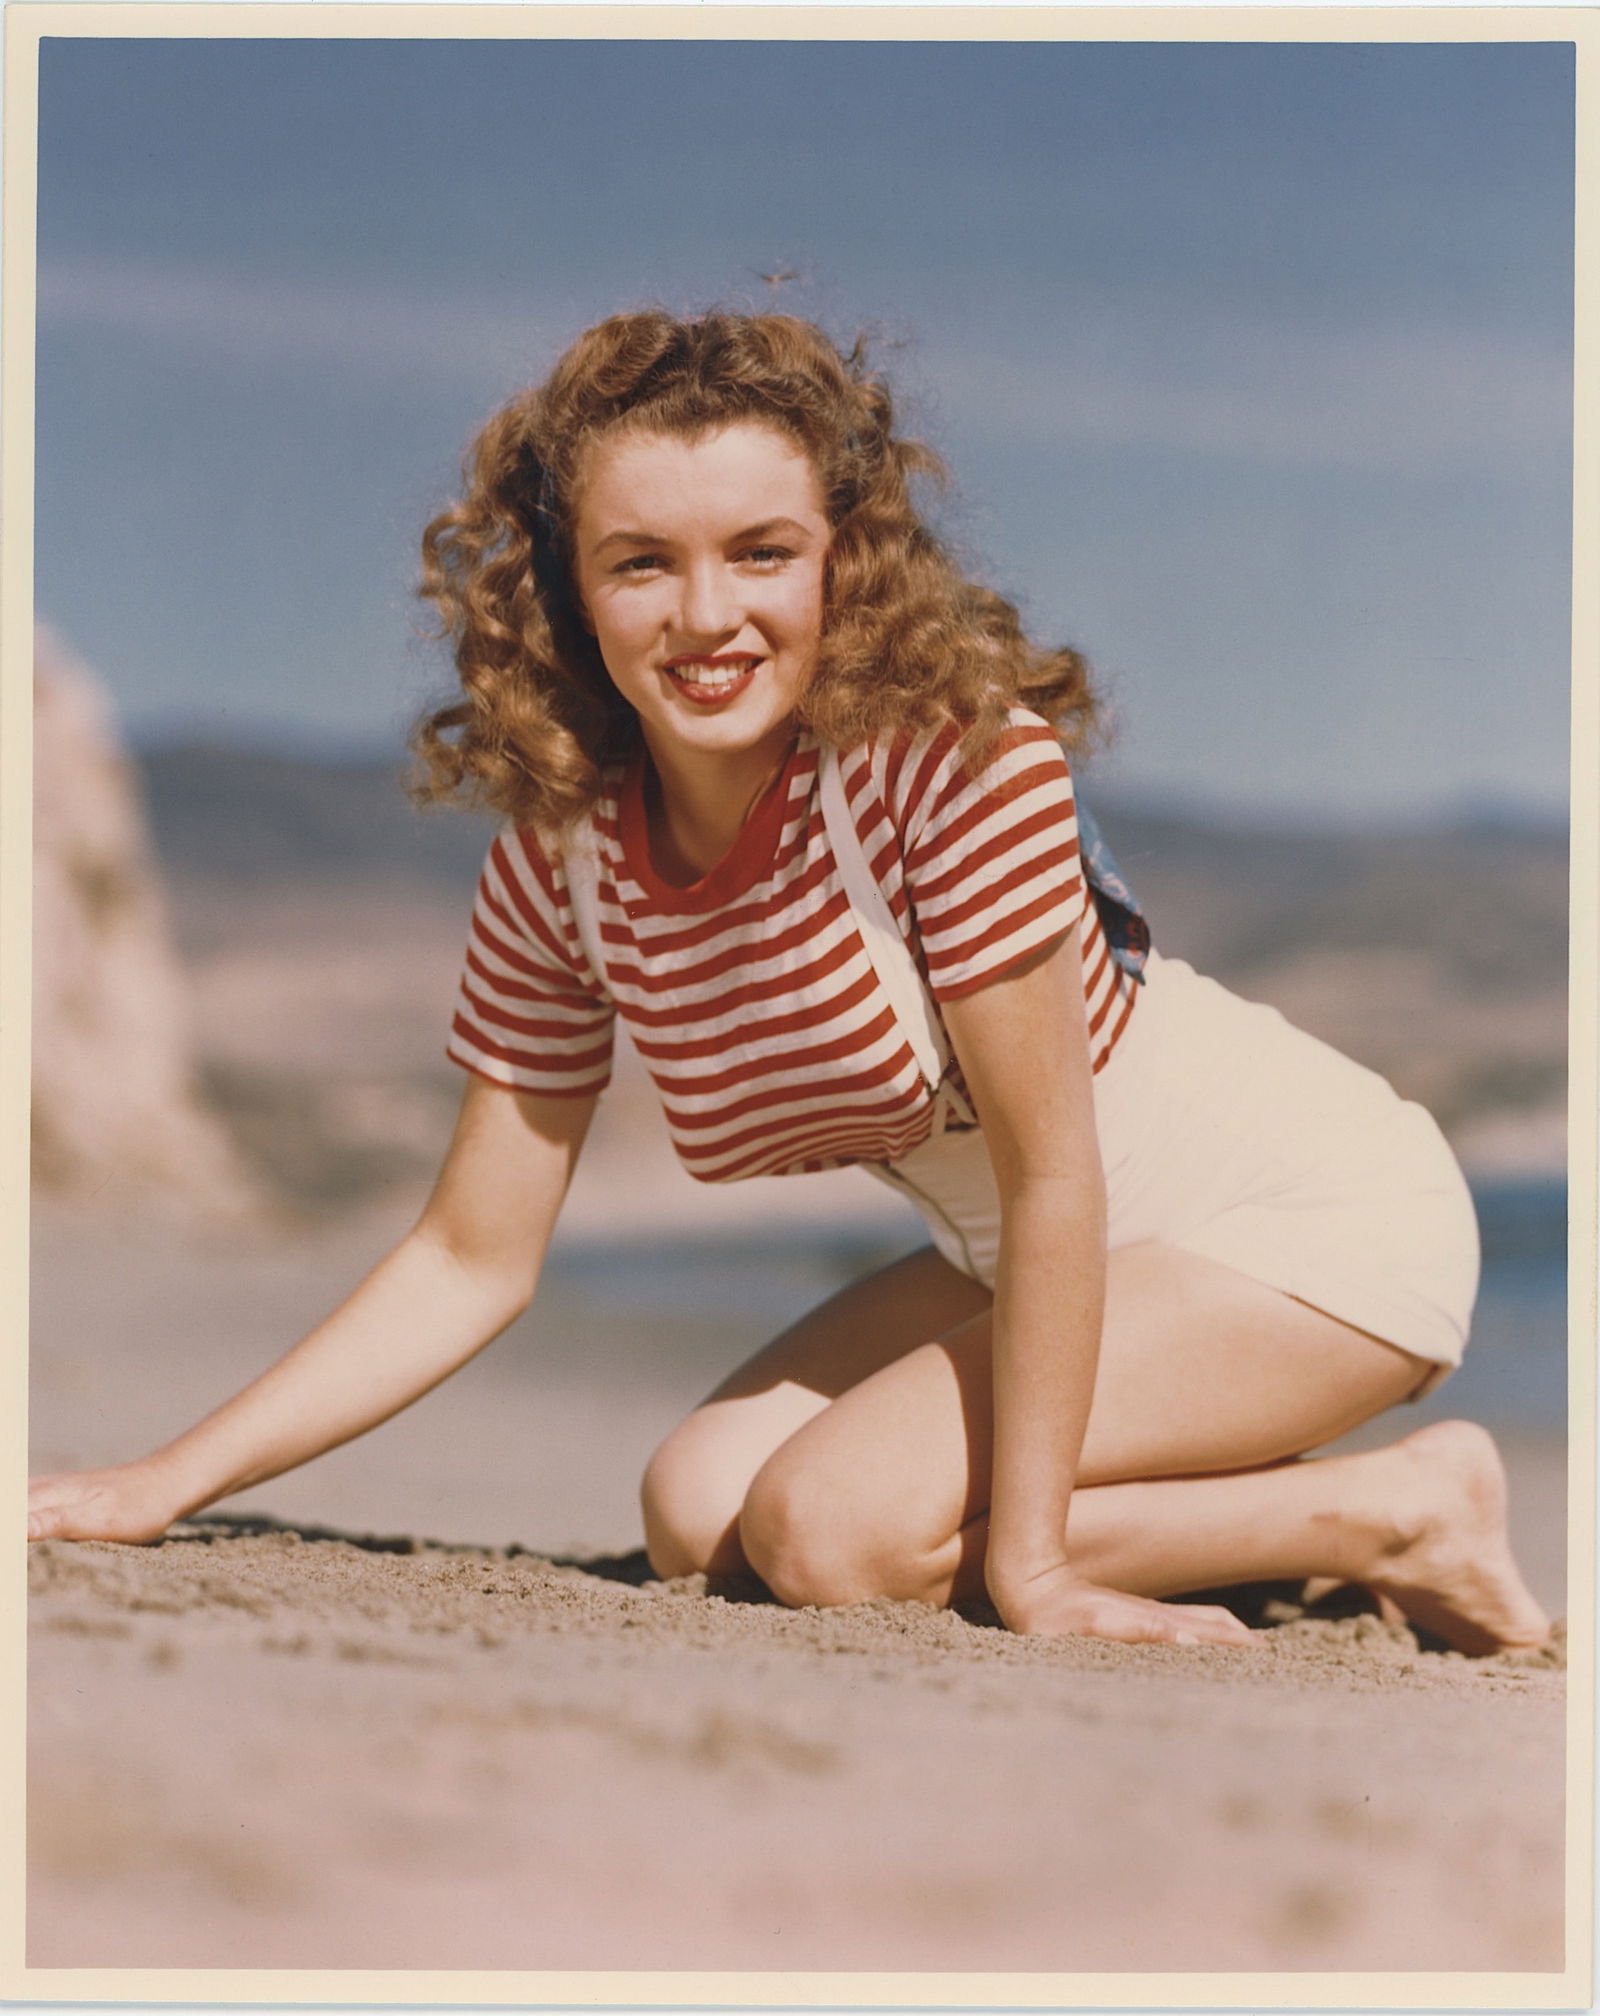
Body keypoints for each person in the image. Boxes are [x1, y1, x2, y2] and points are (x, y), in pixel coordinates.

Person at [28, 309, 1550, 1656]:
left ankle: (1403, 1510)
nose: (707, 617)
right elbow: (469, 1256)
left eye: (762, 552)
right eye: (643, 561)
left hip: (1300, 1226)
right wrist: (163, 1482)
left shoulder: (952, 765)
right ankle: (1257, 1523)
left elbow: (1054, 1172)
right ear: (567, 590)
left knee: (832, 1535)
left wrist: (1030, 1568)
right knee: (701, 1511)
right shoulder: (564, 862)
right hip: (1036, 1254)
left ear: (844, 560)